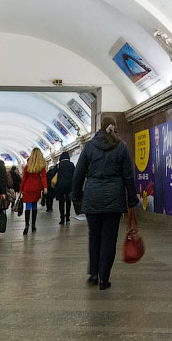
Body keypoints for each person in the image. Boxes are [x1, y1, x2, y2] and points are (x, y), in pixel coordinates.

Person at [73, 116, 138, 290]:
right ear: (114, 127)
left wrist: (76, 196)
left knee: (94, 236)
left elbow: (78, 174)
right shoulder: (121, 147)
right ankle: (104, 278)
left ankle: (93, 274)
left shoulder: (89, 147)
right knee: (109, 239)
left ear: (99, 128)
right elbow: (128, 176)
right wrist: (132, 198)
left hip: (93, 197)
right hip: (114, 199)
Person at [20, 148, 48, 235]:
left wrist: (21, 189)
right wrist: (45, 187)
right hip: (36, 187)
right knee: (34, 205)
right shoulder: (41, 166)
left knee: (28, 206)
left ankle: (26, 226)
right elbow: (44, 177)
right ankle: (33, 225)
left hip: (28, 187)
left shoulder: (28, 166)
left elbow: (24, 178)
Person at [55, 150, 75, 225]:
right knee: (68, 201)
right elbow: (75, 174)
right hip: (69, 186)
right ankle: (68, 217)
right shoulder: (71, 164)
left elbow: (53, 173)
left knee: (61, 202)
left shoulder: (59, 165)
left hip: (60, 186)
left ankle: (62, 218)